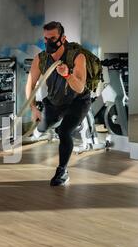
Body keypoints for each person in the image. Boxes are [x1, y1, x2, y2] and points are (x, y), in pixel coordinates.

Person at [26, 21, 92, 187]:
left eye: (53, 38)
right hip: (55, 102)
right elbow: (30, 84)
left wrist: (67, 75)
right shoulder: (40, 59)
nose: (48, 42)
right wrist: (33, 108)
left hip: (77, 102)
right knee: (42, 127)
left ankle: (62, 171)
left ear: (63, 38)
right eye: (45, 38)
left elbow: (80, 86)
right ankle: (48, 126)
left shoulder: (77, 57)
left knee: (64, 132)